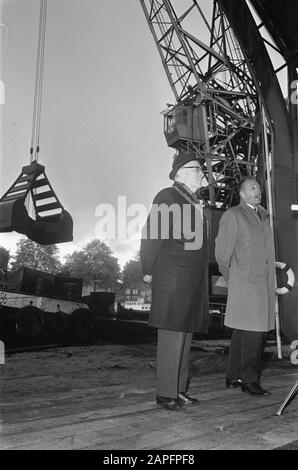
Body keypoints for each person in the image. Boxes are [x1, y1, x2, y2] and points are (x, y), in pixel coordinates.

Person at [140, 150, 209, 411]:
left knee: (185, 336)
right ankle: (165, 393)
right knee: (172, 334)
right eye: (195, 168)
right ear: (179, 173)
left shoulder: (193, 201)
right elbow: (151, 235)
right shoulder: (167, 196)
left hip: (191, 279)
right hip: (173, 276)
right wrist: (147, 267)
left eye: (201, 168)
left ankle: (179, 389)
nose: (201, 172)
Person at [215, 177, 275, 396]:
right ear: (241, 193)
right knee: (254, 332)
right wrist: (234, 278)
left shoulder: (265, 217)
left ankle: (233, 375)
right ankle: (249, 379)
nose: (257, 190)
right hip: (246, 283)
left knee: (243, 329)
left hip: (264, 282)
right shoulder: (234, 215)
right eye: (252, 188)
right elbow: (222, 253)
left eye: (258, 187)